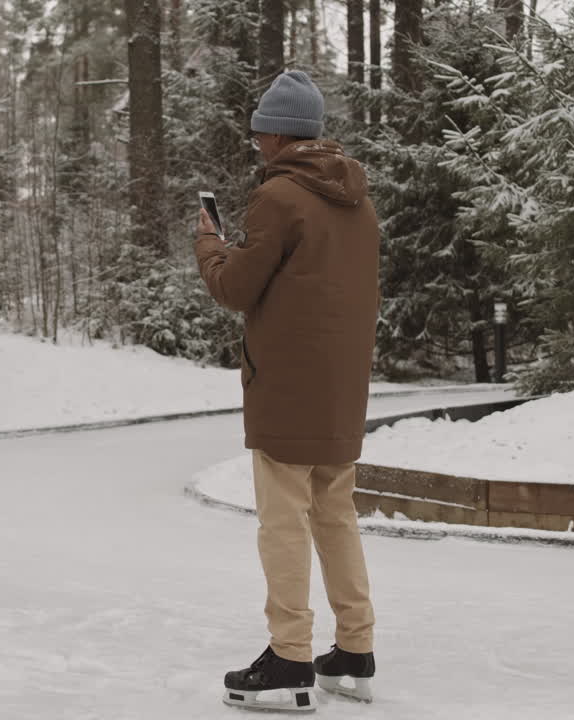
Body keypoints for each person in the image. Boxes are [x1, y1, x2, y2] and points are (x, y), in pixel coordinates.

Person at [193, 70, 380, 711]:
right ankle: (355, 646)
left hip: (285, 388)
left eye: (257, 136)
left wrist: (208, 242)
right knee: (336, 514)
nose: (255, 146)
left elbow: (235, 288)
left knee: (283, 521)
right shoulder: (358, 199)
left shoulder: (279, 199)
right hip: (341, 389)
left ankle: (290, 657)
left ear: (276, 136)